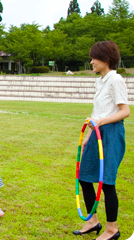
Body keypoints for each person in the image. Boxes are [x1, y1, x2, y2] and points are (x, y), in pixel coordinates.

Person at [73, 41, 129, 240]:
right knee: (85, 177)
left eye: (94, 58)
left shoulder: (116, 80)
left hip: (111, 133)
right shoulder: (100, 81)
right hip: (96, 132)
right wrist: (89, 135)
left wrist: (101, 122)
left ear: (106, 59)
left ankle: (112, 229)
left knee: (107, 183)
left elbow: (125, 111)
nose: (91, 62)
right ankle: (92, 221)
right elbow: (97, 111)